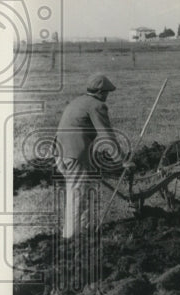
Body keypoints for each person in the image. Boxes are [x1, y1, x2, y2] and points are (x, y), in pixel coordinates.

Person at [55, 73, 133, 241]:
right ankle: (70, 239)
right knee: (77, 195)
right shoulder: (97, 105)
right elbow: (107, 135)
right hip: (75, 153)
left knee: (82, 191)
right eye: (107, 93)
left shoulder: (78, 101)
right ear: (101, 92)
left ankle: (82, 231)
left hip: (61, 152)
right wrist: (122, 161)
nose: (107, 96)